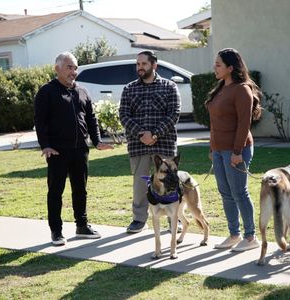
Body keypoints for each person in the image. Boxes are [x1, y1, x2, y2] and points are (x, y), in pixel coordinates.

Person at [34, 51, 113, 246]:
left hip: (80, 150)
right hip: (57, 151)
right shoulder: (47, 91)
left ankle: (82, 226)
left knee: (80, 190)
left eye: (75, 67)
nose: (73, 71)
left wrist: (96, 141)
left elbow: (91, 119)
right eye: (69, 67)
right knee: (55, 192)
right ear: (57, 69)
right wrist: (46, 146)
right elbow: (40, 121)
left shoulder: (82, 91)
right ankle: (56, 232)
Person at [206, 48, 262, 252]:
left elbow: (244, 124)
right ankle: (234, 234)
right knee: (226, 193)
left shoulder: (241, 89)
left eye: (218, 64)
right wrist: (212, 148)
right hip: (220, 150)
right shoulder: (221, 88)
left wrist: (237, 152)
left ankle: (250, 237)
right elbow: (215, 122)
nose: (215, 67)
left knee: (239, 192)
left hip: (237, 150)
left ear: (230, 67)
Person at [119, 50, 181, 233]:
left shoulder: (169, 87)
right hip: (138, 145)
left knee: (169, 181)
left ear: (154, 65)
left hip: (165, 143)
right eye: (138, 64)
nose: (140, 67)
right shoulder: (129, 88)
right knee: (140, 183)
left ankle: (173, 220)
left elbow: (174, 114)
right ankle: (139, 219)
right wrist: (141, 134)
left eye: (144, 64)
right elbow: (123, 115)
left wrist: (154, 134)